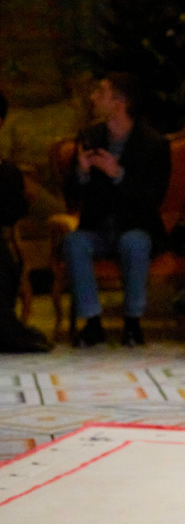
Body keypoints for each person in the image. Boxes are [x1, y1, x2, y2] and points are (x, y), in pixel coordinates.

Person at [63, 72, 171, 347]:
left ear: (119, 102)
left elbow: (152, 199)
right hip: (97, 227)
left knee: (135, 242)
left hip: (135, 226)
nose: (93, 97)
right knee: (74, 242)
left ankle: (132, 323)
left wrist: (117, 174)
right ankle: (92, 323)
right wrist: (82, 172)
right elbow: (71, 194)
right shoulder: (89, 137)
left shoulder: (153, 144)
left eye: (101, 92)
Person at [0, 92, 51, 353]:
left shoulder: (8, 172)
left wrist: (24, 197)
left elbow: (10, 214)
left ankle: (7, 331)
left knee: (2, 264)